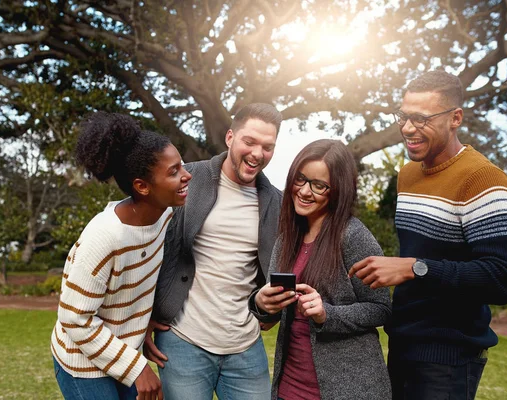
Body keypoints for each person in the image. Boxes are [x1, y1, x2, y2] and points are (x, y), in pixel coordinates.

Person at [348, 70, 507, 400]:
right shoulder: (408, 175)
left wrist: (413, 267)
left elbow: (506, 279)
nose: (407, 128)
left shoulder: (483, 179)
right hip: (403, 342)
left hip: (449, 358)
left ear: (455, 118)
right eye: (403, 116)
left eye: (420, 119)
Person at [142, 103, 283, 400]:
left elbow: (283, 259)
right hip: (182, 341)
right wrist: (144, 317)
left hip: (246, 345)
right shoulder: (186, 180)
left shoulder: (276, 202)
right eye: (250, 141)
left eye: (267, 146)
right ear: (230, 137)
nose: (258, 153)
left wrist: (272, 308)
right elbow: (143, 240)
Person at [50, 112, 192, 400]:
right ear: (142, 186)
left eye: (183, 166)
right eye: (174, 171)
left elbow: (143, 279)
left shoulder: (163, 216)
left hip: (124, 353)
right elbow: (74, 319)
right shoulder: (105, 235)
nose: (186, 175)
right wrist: (138, 369)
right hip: (83, 363)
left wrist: (147, 318)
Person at [251, 139, 392, 400]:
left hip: (346, 390)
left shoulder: (353, 237)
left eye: (318, 185)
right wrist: (260, 302)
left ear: (338, 190)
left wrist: (328, 314)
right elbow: (270, 316)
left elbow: (381, 308)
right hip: (289, 388)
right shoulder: (286, 239)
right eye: (300, 179)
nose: (304, 191)